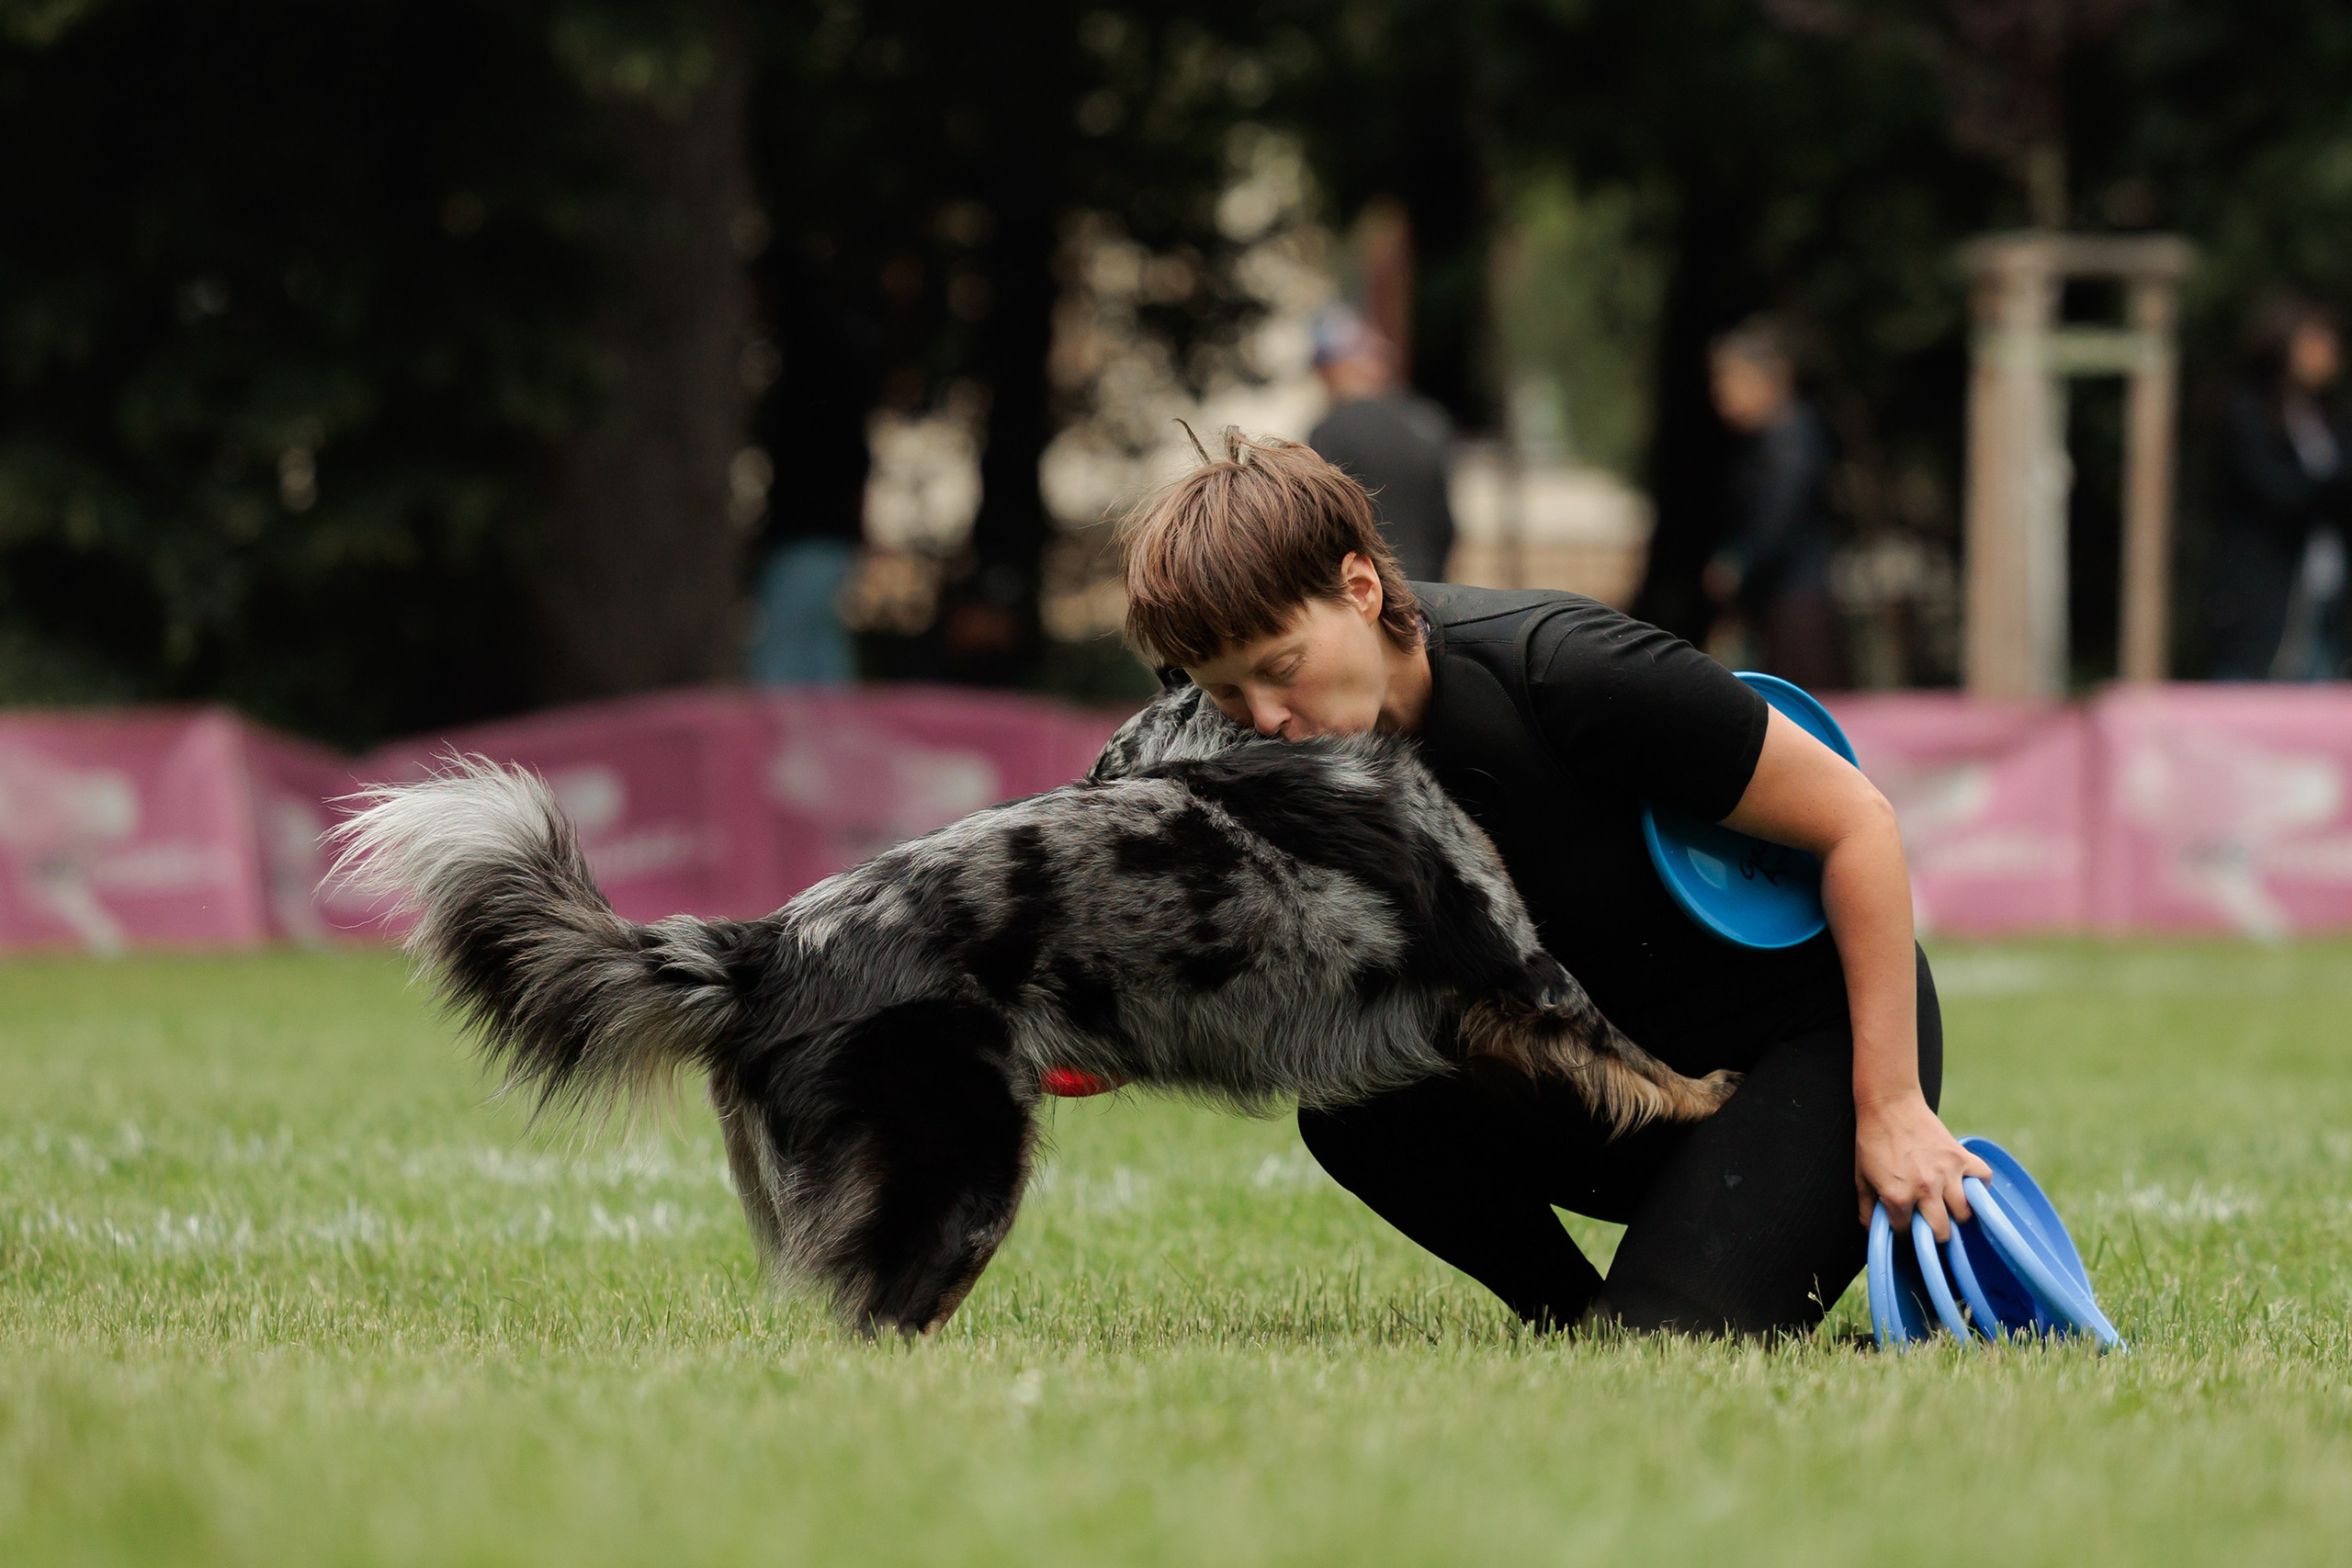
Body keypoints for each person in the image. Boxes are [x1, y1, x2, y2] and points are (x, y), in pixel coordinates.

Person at [1118, 431, 1985, 1337]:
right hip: (1622, 1075)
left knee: (1668, 1351)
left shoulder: (1563, 669)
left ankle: (1697, 1270)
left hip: (1802, 1049)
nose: (1263, 717)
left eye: (1279, 667)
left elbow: (1858, 821)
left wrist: (1889, 1107)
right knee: (1347, 1099)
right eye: (1224, 695)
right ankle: (1568, 1317)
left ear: (1361, 589)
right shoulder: (1272, 761)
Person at [2205, 296, 2351, 681]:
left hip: (2324, 609)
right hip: (2259, 614)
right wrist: (2332, 487)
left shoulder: (2330, 419)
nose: (2329, 351)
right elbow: (2279, 492)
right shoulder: (2246, 412)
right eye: (2316, 340)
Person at [1703, 317, 1849, 692]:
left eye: (1729, 379)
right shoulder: (1766, 443)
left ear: (1764, 378)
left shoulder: (1793, 442)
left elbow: (1778, 520)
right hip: (1779, 603)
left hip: (1797, 605)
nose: (1720, 394)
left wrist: (1739, 565)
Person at [1306, 304, 1458, 582]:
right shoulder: (1429, 422)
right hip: (1432, 592)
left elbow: (1321, 527)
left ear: (1333, 368)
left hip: (1370, 591)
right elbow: (1445, 527)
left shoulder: (1328, 432)